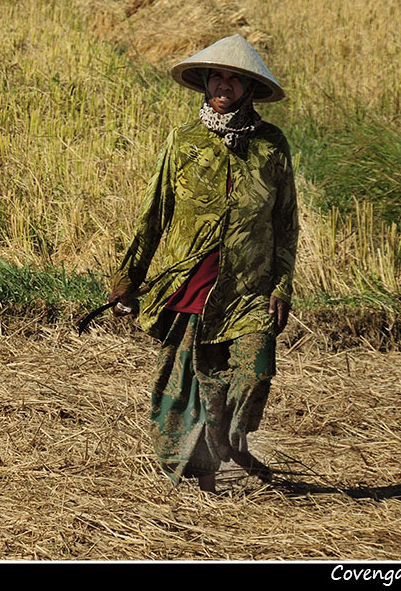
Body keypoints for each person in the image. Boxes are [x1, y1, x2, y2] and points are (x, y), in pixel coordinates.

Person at [108, 34, 298, 493]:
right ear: (205, 82)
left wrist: (283, 285)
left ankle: (229, 444)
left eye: (235, 78)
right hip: (191, 281)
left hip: (249, 287)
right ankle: (205, 468)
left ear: (250, 89)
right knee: (194, 380)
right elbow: (154, 215)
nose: (224, 85)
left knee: (256, 372)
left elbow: (286, 223)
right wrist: (126, 277)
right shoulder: (184, 141)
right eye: (218, 75)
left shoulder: (272, 145)